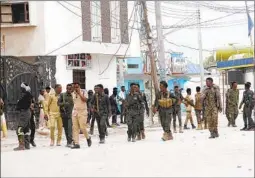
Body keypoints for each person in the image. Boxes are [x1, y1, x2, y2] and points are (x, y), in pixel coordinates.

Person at [71, 82, 92, 149]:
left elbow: (85, 100)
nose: (75, 88)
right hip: (75, 112)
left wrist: (79, 93)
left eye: (77, 87)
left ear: (79, 86)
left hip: (83, 111)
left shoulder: (83, 91)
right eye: (74, 87)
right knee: (75, 128)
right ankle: (76, 143)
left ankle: (88, 138)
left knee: (82, 127)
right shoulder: (73, 93)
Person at [14, 83, 33, 151]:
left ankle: (21, 145)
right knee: (26, 129)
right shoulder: (28, 95)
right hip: (27, 113)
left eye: (22, 88)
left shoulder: (27, 95)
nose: (21, 89)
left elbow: (22, 105)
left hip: (24, 113)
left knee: (19, 129)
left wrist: (19, 103)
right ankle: (27, 145)